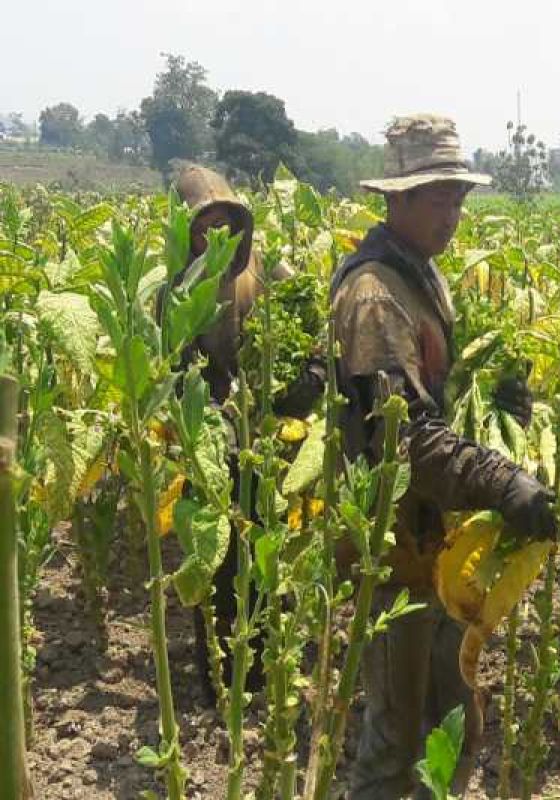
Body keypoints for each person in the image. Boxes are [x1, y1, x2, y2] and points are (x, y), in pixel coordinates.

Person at [330, 114, 556, 799]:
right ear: (396, 198)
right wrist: (504, 480)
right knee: (397, 740)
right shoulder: (376, 295)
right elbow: (406, 439)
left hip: (432, 544)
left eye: (458, 197)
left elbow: (432, 401)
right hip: (393, 547)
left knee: (451, 725)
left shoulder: (420, 275)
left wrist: (504, 407)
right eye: (438, 197)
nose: (453, 213)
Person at [170, 163, 326, 701]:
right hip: (210, 442)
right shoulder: (176, 286)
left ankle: (266, 674)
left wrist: (309, 379)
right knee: (216, 562)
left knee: (267, 554)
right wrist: (196, 396)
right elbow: (164, 364)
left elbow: (315, 332)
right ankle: (220, 679)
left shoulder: (267, 269)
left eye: (226, 224)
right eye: (203, 227)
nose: (218, 237)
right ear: (185, 233)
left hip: (269, 439)